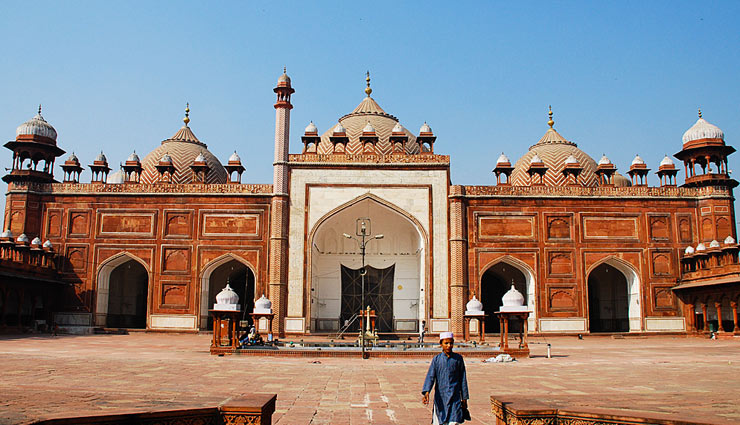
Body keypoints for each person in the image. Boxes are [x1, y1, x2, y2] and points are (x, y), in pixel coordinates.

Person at [422, 331, 469, 424]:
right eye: (446, 343)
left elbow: (463, 378)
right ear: (441, 344)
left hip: (454, 396)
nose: (449, 345)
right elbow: (431, 376)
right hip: (441, 397)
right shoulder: (437, 359)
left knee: (454, 420)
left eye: (451, 343)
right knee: (440, 420)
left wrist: (464, 398)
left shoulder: (458, 359)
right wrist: (426, 392)